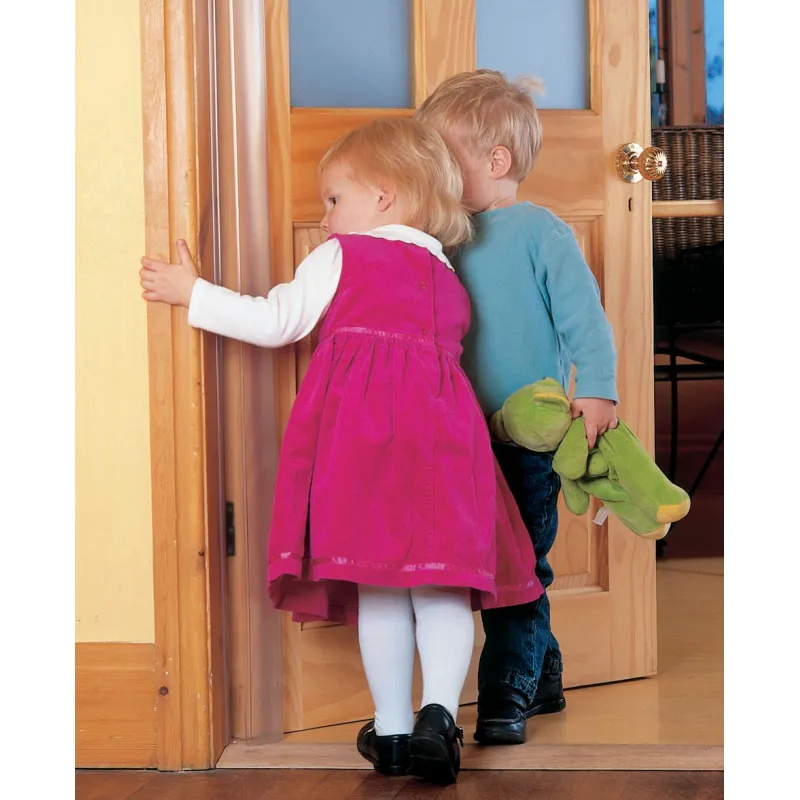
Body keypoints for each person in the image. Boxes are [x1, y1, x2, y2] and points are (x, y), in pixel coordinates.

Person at [139, 117, 543, 783]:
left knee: (379, 585)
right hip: (448, 446)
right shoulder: (444, 271)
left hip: (366, 447)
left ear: (383, 197)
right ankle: (440, 717)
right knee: (441, 582)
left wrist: (193, 294)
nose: (324, 216)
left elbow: (277, 321)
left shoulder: (343, 256)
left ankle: (392, 732)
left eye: (334, 198)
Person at [416, 70, 619, 745]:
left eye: (443, 158)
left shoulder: (540, 232)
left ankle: (507, 689)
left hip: (529, 440)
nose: (432, 172)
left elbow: (584, 320)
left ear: (496, 161)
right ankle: (545, 673)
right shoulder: (438, 237)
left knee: (519, 566)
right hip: (459, 435)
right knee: (489, 561)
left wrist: (596, 389)